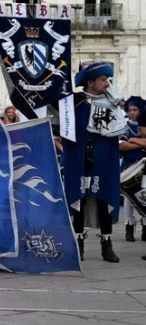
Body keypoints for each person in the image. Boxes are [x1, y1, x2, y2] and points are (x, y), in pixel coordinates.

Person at [62, 62, 123, 263]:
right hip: (80, 155)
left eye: (107, 79)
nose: (107, 83)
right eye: (103, 80)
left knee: (104, 198)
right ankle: (78, 243)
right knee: (80, 198)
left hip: (105, 156)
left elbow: (116, 133)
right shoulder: (74, 103)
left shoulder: (111, 103)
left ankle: (107, 244)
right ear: (90, 82)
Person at [120, 96, 146, 242]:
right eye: (129, 110)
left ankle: (145, 224)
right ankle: (129, 226)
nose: (132, 112)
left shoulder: (144, 126)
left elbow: (128, 142)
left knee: (143, 195)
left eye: (135, 109)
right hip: (129, 165)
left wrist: (133, 140)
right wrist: (142, 143)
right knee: (129, 197)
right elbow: (122, 146)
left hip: (143, 165)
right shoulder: (124, 126)